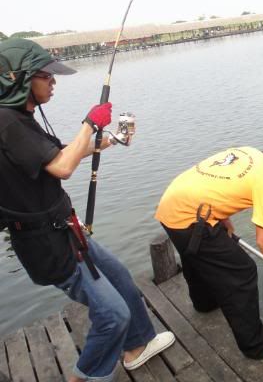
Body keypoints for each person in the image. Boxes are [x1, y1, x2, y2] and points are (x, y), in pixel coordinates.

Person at [0, 38, 175, 381]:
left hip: (66, 230)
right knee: (113, 315)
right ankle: (84, 377)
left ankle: (137, 346)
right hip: (47, 245)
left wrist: (111, 139)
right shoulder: (6, 122)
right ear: (17, 78)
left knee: (120, 277)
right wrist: (89, 123)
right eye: (46, 76)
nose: (53, 81)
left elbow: (60, 153)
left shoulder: (19, 119)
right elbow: (62, 167)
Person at [155, 131, 263, 359]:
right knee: (243, 271)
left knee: (195, 257)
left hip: (172, 205)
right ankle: (257, 346)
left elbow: (215, 181)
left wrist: (222, 219)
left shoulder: (249, 153)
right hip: (189, 219)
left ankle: (205, 304)